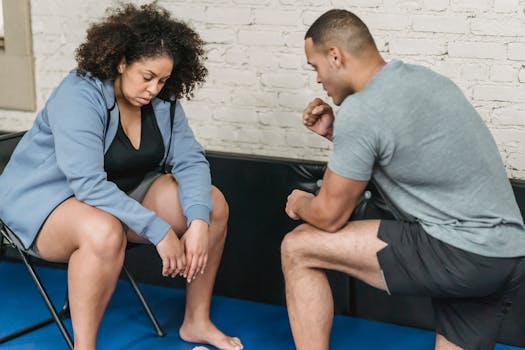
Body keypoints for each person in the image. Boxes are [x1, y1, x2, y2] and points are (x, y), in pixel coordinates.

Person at [0, 3, 243, 350]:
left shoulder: (163, 100)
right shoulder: (80, 94)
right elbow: (86, 183)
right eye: (147, 77)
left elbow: (190, 160)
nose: (154, 89)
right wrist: (158, 230)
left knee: (212, 203)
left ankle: (197, 322)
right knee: (103, 231)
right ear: (121, 62)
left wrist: (199, 221)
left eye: (162, 80)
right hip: (44, 202)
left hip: (118, 197)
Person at [282, 9, 525, 350]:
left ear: (335, 56)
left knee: (298, 247)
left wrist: (300, 201)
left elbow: (329, 216)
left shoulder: (362, 109)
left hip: (458, 252)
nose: (318, 80)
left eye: (315, 67)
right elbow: (406, 151)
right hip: (507, 256)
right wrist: (337, 133)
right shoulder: (424, 81)